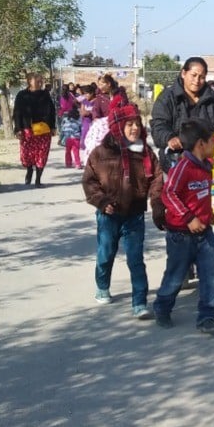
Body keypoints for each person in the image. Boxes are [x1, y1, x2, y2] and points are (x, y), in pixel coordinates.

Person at [82, 104, 163, 318]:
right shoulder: (101, 153)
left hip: (134, 215)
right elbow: (89, 181)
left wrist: (156, 203)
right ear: (117, 127)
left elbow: (157, 178)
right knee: (106, 253)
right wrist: (101, 201)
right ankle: (102, 286)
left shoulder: (145, 152)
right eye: (129, 124)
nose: (134, 128)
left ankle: (140, 303)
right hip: (109, 214)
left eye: (137, 124)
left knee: (135, 258)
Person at [152, 120, 214, 334]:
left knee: (210, 276)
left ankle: (207, 317)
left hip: (204, 234)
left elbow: (200, 195)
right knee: (175, 276)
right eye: (213, 141)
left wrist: (208, 215)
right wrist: (189, 218)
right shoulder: (183, 167)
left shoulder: (207, 167)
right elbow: (168, 194)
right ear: (201, 143)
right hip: (181, 235)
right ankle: (162, 307)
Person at [150, 57, 214, 172]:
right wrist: (169, 138)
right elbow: (159, 124)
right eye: (193, 75)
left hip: (207, 163)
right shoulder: (167, 97)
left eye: (202, 77)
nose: (197, 81)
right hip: (176, 162)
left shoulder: (212, 98)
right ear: (184, 73)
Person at [12, 72, 57, 186]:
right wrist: (18, 129)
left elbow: (52, 111)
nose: (40, 82)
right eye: (37, 80)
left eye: (40, 80)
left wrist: (52, 126)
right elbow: (17, 112)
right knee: (27, 154)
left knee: (42, 153)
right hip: (28, 129)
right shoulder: (22, 95)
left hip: (43, 129)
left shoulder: (45, 95)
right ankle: (29, 171)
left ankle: (38, 179)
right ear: (29, 81)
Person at [61, 102, 83, 168]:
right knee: (76, 151)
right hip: (76, 138)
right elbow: (81, 128)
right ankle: (78, 164)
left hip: (68, 138)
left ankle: (68, 163)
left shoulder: (65, 120)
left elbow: (63, 128)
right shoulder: (79, 120)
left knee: (68, 151)